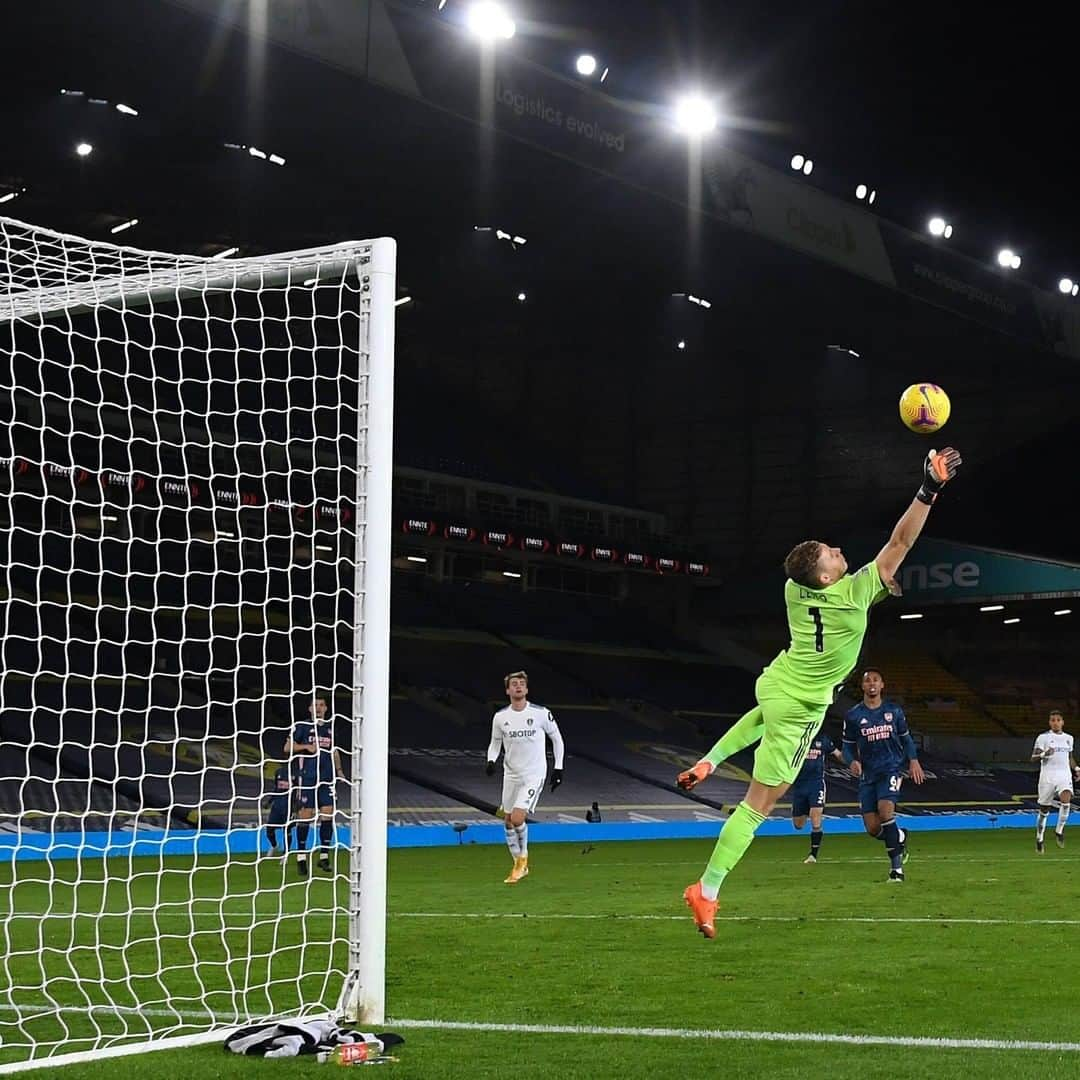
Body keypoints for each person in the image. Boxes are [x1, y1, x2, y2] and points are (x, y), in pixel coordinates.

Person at [676, 447, 962, 938]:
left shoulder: (794, 590)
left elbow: (825, 565)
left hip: (776, 681)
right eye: (831, 555)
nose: (837, 552)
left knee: (763, 715)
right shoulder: (853, 596)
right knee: (757, 806)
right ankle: (707, 889)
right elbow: (901, 540)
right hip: (803, 704)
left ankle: (709, 760)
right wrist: (928, 490)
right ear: (827, 577)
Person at [843, 669, 924, 881]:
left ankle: (896, 870)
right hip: (868, 775)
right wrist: (852, 761)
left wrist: (913, 760)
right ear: (862, 686)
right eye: (867, 680)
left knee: (886, 811)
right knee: (872, 828)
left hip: (891, 768)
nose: (871, 683)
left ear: (882, 685)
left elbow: (906, 739)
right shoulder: (853, 715)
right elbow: (847, 747)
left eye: (875, 680)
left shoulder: (894, 711)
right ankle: (900, 835)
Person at [485, 671, 565, 884]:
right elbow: (495, 743)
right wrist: (491, 761)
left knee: (518, 818)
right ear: (508, 690)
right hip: (511, 774)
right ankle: (519, 865)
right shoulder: (500, 717)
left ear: (527, 689)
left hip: (534, 773)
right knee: (508, 821)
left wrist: (558, 768)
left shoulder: (541, 713)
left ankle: (523, 859)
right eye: (514, 684)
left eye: (522, 683)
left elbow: (557, 739)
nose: (518, 686)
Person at [285, 692, 345, 875]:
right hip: (307, 779)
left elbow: (334, 751)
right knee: (306, 816)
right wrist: (305, 747)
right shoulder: (301, 726)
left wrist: (340, 771)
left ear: (326, 708)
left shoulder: (330, 727)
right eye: (315, 705)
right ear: (309, 709)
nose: (318, 708)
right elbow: (287, 748)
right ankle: (301, 857)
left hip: (326, 779)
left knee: (328, 815)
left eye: (321, 705)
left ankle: (324, 857)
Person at [789, 728, 845, 864]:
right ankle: (807, 808)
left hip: (816, 784)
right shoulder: (794, 738)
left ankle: (813, 855)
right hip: (799, 785)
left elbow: (838, 754)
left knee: (816, 818)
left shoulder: (822, 739)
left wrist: (852, 761)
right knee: (798, 825)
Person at [1031, 709, 1080, 852]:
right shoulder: (1043, 738)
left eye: (1058, 720)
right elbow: (1033, 758)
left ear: (1062, 722)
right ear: (1049, 722)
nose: (1055, 723)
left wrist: (1076, 768)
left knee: (1066, 799)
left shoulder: (1069, 738)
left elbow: (1069, 757)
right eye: (1053, 720)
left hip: (1064, 775)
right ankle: (1039, 838)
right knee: (1044, 810)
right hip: (1047, 777)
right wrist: (1045, 753)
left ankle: (1059, 831)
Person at [264, 764, 298, 856]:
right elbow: (276, 788)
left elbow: (298, 792)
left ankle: (285, 852)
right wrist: (269, 801)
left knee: (287, 829)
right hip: (277, 806)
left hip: (289, 806)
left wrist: (295, 809)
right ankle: (274, 845)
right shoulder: (278, 772)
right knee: (269, 829)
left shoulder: (296, 773)